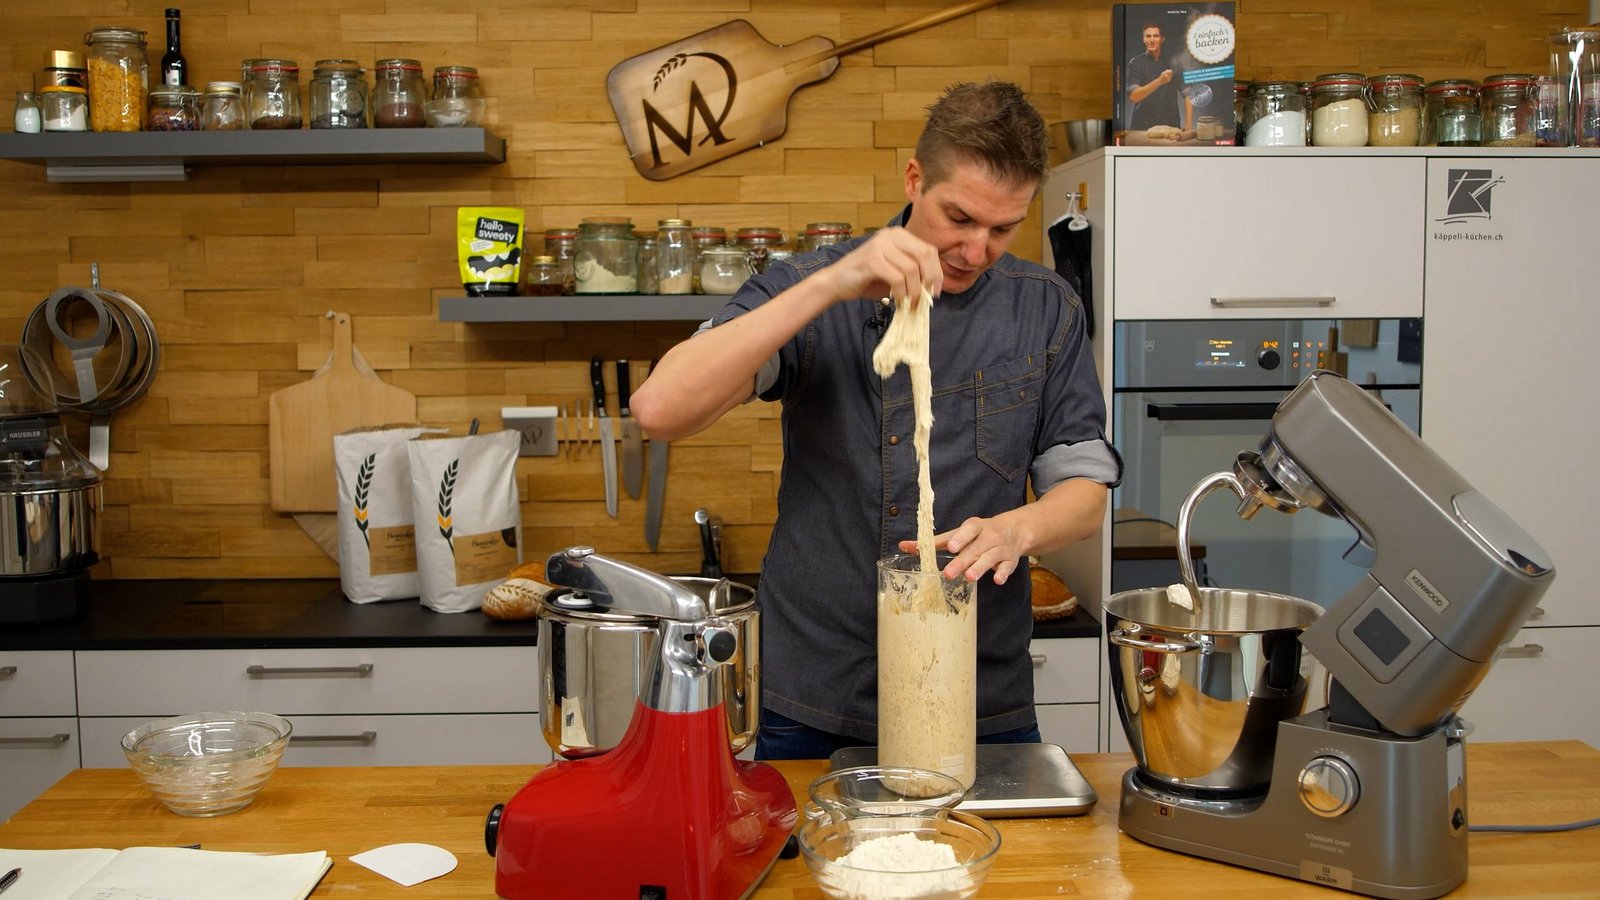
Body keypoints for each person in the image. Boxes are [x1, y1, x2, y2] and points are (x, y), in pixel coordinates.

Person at [630, 81, 1121, 760]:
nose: (975, 250)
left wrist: (1019, 529)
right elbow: (658, 410)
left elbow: (1085, 494)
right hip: (814, 696)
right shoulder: (811, 285)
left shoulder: (1044, 309)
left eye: (1003, 228)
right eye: (959, 218)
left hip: (979, 696)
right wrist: (829, 286)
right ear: (915, 180)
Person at [1125, 22, 1191, 131]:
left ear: (1162, 38)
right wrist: (1159, 81)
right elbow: (1133, 97)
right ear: (1143, 39)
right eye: (1148, 36)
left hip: (1170, 126)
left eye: (1155, 36)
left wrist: (1189, 122)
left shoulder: (1174, 63)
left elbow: (1188, 94)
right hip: (1142, 127)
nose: (1151, 40)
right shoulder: (1135, 63)